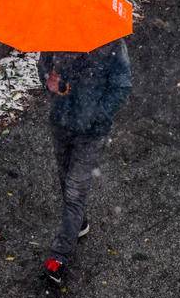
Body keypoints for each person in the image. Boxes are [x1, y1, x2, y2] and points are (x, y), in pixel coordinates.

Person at [37, 39, 132, 285]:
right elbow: (44, 66)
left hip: (91, 132)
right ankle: (79, 223)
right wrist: (50, 80)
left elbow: (121, 85)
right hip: (61, 121)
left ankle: (59, 256)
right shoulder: (59, 32)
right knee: (64, 176)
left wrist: (96, 115)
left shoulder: (111, 42)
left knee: (74, 191)